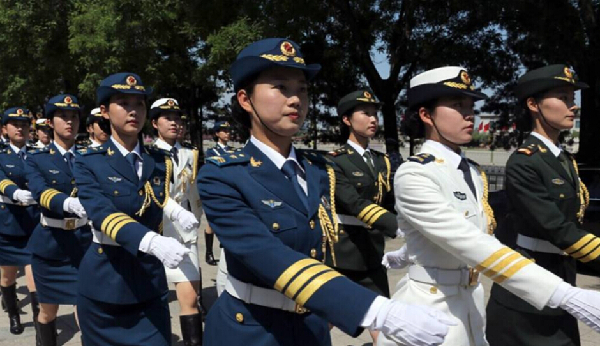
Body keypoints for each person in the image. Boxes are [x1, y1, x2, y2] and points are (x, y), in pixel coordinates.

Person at [198, 37, 456, 346]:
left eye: (302, 90)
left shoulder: (317, 168)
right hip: (252, 330)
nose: (296, 100)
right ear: (244, 100)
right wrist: (376, 310)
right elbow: (266, 254)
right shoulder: (222, 174)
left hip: (312, 327)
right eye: (281, 87)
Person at [378, 66, 600, 346]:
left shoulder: (471, 171)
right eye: (458, 106)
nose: (469, 114)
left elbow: (474, 229)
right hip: (428, 309)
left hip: (470, 304)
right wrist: (563, 294)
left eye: (471, 105)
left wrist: (413, 246)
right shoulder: (415, 173)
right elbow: (470, 242)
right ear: (425, 115)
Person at [73, 72, 199, 346]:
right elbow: (101, 212)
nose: (133, 111)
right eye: (124, 103)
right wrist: (150, 240)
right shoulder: (88, 161)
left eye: (140, 104)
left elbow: (160, 197)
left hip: (148, 283)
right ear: (105, 111)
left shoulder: (160, 160)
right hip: (106, 279)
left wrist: (177, 211)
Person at [486, 64, 594, 346]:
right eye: (563, 98)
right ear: (533, 104)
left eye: (573, 99)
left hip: (562, 278)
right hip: (528, 291)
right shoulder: (524, 161)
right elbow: (556, 228)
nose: (573, 107)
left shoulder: (564, 160)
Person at [327, 89, 398, 344]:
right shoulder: (336, 161)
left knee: (382, 321)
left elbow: (388, 203)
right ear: (347, 120)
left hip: (372, 251)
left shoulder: (382, 162)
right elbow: (354, 203)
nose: (373, 119)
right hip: (343, 252)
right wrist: (396, 227)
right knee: (325, 318)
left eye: (375, 114)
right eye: (365, 113)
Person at [25, 94, 92, 346]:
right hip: (51, 246)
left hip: (83, 244)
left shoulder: (89, 156)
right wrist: (67, 203)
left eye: (74, 116)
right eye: (63, 117)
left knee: (85, 307)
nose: (70, 122)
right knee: (47, 312)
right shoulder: (37, 158)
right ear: (50, 123)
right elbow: (40, 192)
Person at [150, 97, 204, 346]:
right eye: (167, 118)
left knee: (190, 297)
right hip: (155, 230)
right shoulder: (148, 155)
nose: (173, 122)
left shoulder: (189, 153)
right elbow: (153, 194)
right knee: (154, 297)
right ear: (154, 123)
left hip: (183, 233)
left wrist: (199, 220)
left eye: (177, 118)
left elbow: (193, 194)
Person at [0, 107, 40, 335]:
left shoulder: (37, 154)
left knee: (34, 278)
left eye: (24, 124)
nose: (20, 128)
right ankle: (13, 314)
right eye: (15, 124)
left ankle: (40, 321)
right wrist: (14, 193)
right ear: (5, 129)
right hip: (8, 225)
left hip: (33, 225)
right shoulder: (1, 154)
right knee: (7, 277)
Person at [203, 120, 232, 266]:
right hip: (216, 190)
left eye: (228, 130)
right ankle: (208, 252)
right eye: (223, 130)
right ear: (217, 134)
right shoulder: (212, 152)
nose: (227, 133)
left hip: (230, 190)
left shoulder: (233, 151)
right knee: (211, 224)